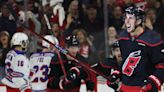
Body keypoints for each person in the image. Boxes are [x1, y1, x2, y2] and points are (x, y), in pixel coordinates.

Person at [110, 5, 164, 92]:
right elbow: (125, 61)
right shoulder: (122, 38)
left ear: (139, 20)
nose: (127, 21)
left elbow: (161, 64)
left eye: (130, 18)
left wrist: (152, 83)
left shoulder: (153, 39)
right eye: (126, 18)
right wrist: (117, 74)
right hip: (125, 88)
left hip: (143, 88)